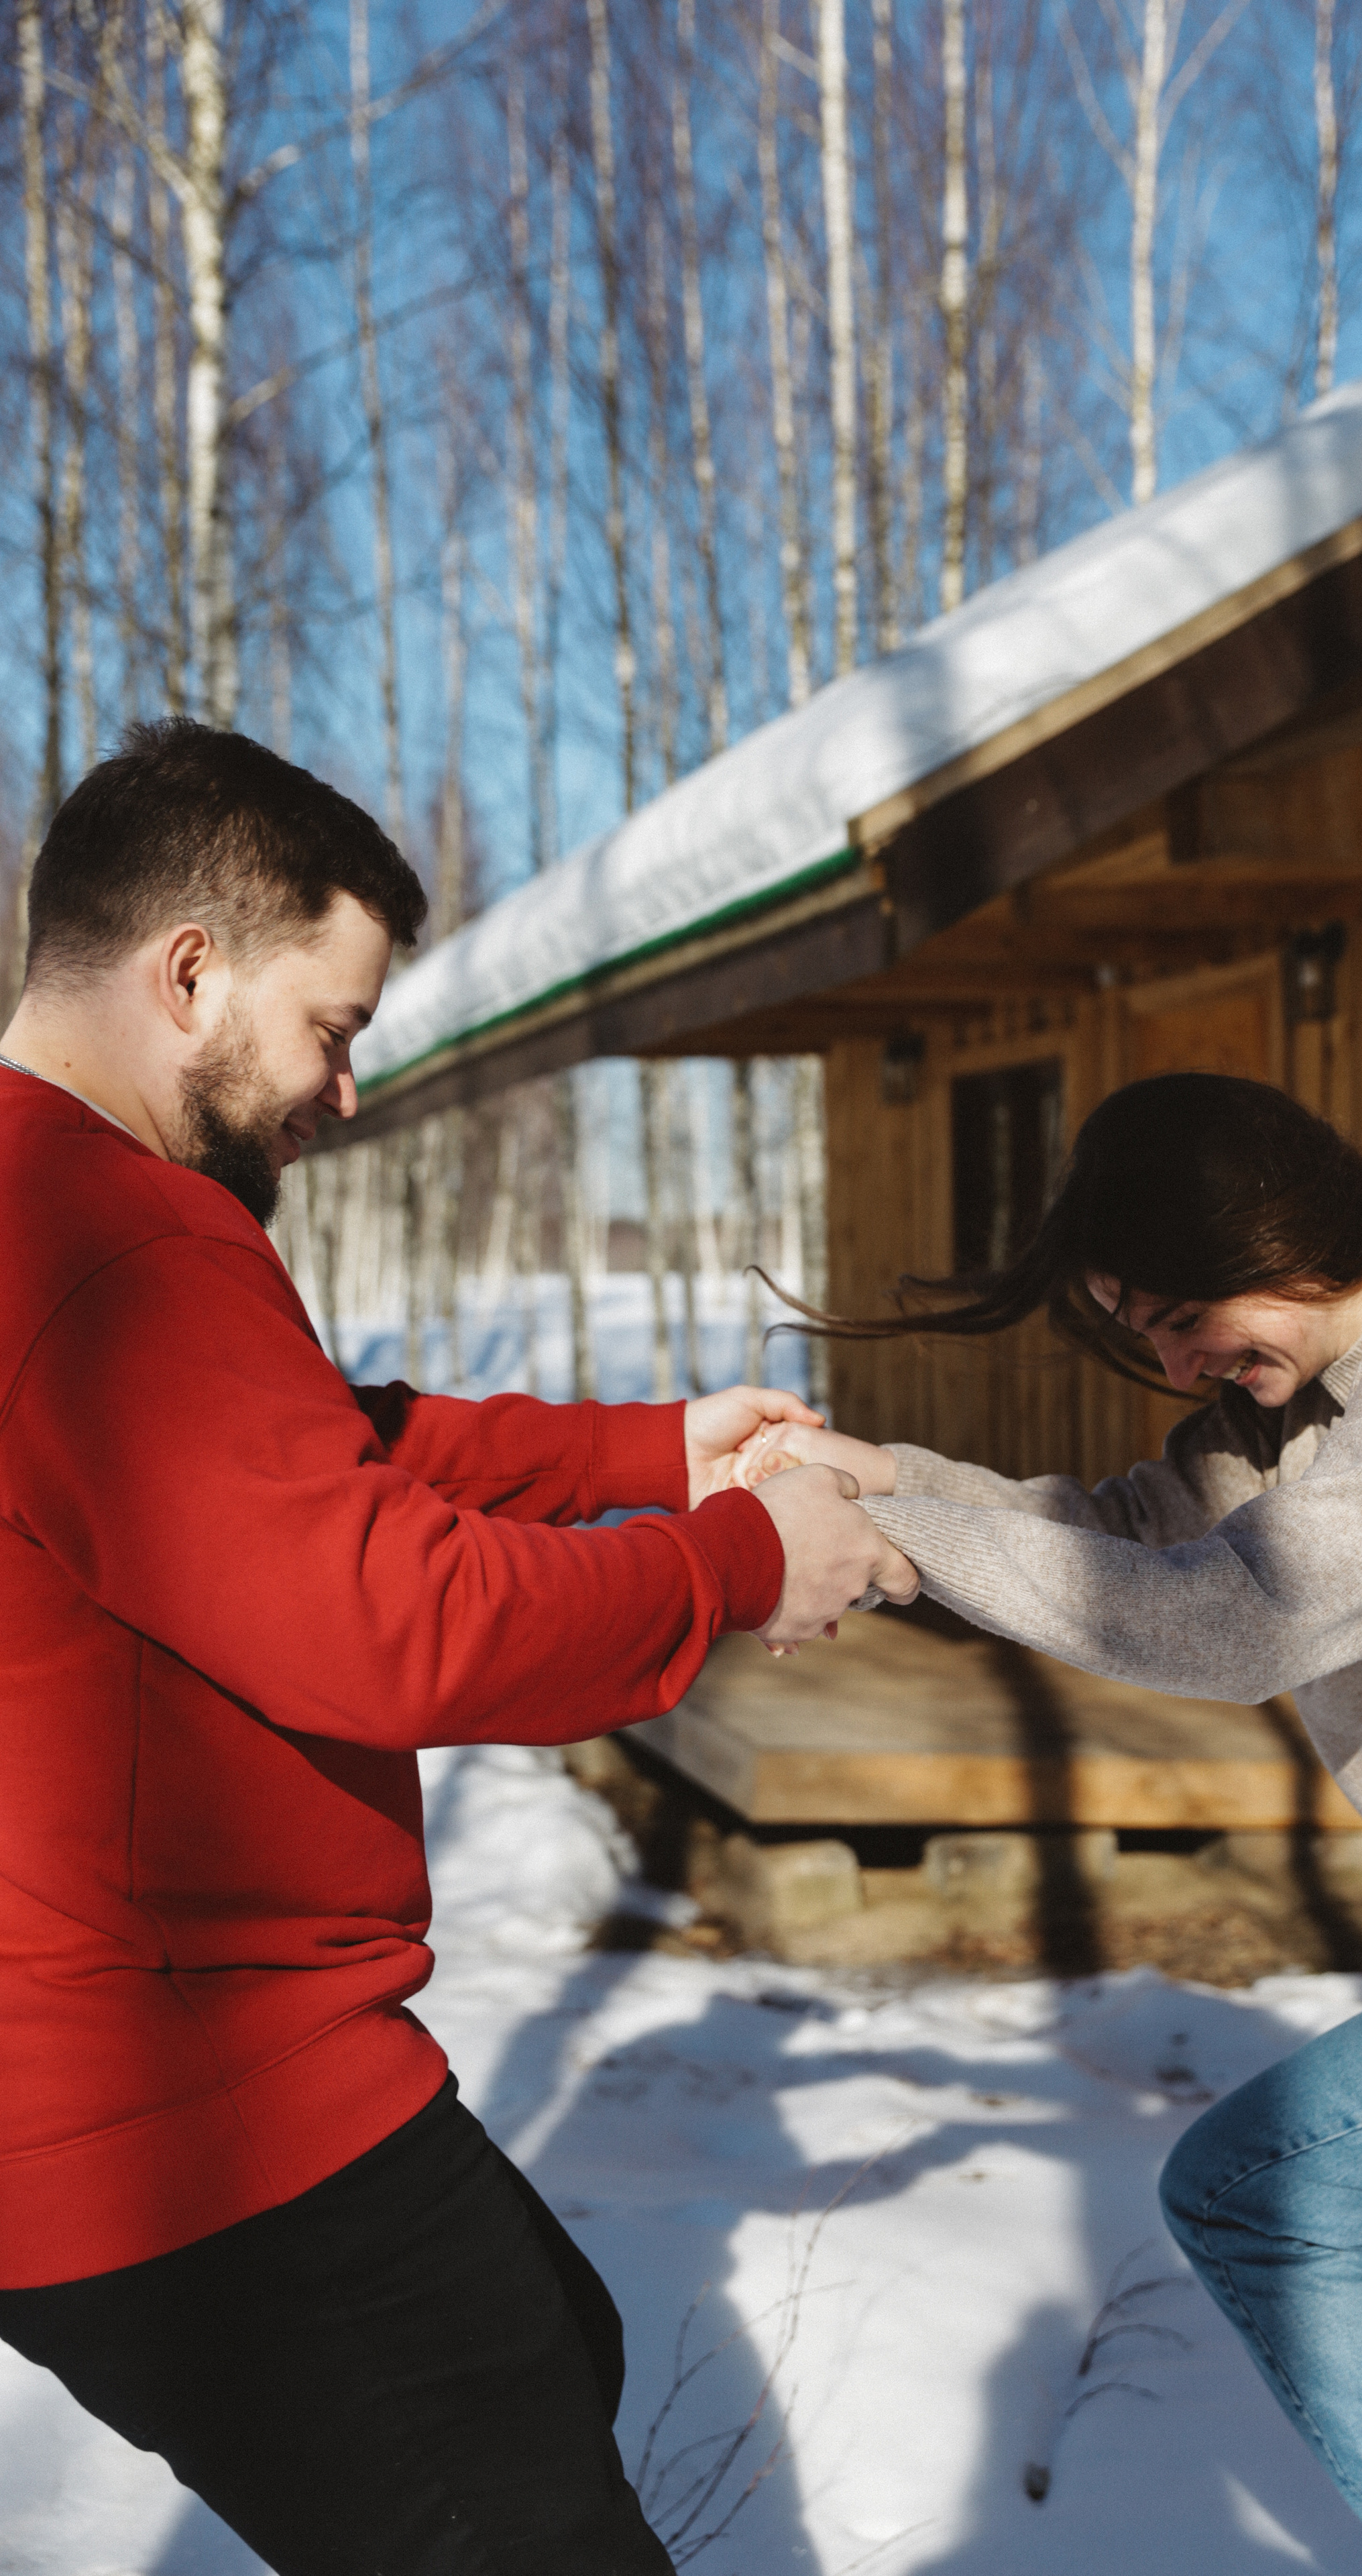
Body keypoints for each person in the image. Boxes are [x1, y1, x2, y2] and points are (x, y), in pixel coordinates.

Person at [0, 718, 917, 2576]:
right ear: (190, 974)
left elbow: (306, 1457)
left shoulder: (52, 1211)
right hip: (200, 2118)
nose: (343, 1094)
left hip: (174, 2086)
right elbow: (385, 1615)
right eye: (330, 1030)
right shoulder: (113, 1241)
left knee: (552, 2344)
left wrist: (642, 1453)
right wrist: (736, 1564)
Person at [740, 1069, 1362, 2576]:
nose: (1180, 1360)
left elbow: (1239, 1622)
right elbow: (1137, 1531)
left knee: (1252, 2193)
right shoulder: (1341, 1360)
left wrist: (895, 1539)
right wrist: (886, 1486)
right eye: (1145, 1336)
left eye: (1175, 1317)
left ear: (1262, 1236)